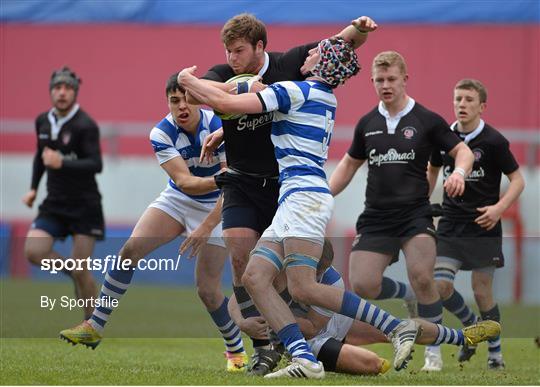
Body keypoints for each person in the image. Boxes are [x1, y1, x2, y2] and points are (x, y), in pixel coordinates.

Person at [178, 28, 449, 379]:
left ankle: (396, 327)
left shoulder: (296, 90)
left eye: (317, 52)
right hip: (294, 198)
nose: (309, 53)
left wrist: (187, 79)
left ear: (325, 64)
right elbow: (246, 113)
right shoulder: (321, 95)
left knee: (302, 286)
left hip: (304, 199)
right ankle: (303, 357)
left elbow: (227, 103)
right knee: (255, 277)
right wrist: (225, 128)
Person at [192, 13, 379, 376]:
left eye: (239, 51)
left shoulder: (292, 67)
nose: (232, 58)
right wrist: (209, 104)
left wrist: (358, 29)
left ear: (260, 47)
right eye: (228, 51)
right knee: (240, 256)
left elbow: (337, 47)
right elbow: (203, 89)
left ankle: (307, 331)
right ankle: (269, 347)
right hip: (244, 183)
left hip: (285, 184)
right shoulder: (226, 72)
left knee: (309, 268)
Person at [59, 73, 249, 372]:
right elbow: (185, 182)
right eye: (175, 101)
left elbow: (232, 187)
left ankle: (235, 351)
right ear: (167, 103)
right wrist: (219, 179)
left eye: (188, 99)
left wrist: (206, 226)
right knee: (129, 251)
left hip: (219, 205)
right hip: (179, 199)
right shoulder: (161, 133)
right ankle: (94, 325)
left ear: (199, 100)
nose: (182, 106)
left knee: (207, 291)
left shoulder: (219, 124)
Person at [328, 51, 475, 372]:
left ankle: (433, 350)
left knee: (423, 275)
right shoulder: (367, 124)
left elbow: (462, 151)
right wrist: (322, 195)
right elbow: (348, 165)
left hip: (415, 215)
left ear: (404, 79)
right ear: (372, 82)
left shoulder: (426, 120)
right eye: (379, 80)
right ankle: (408, 296)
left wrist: (460, 174)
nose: (385, 85)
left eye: (391, 79)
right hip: (377, 216)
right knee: (364, 284)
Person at [228, 239, 501, 376]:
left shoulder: (331, 282)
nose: (317, 275)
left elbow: (312, 326)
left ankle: (462, 335)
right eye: (313, 269)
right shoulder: (274, 271)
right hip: (308, 344)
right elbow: (236, 298)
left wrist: (273, 316)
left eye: (321, 270)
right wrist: (243, 320)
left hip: (325, 327)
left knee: (395, 330)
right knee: (372, 366)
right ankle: (295, 358)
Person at [427, 79, 525, 371]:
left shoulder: (494, 141)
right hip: (451, 225)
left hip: (484, 227)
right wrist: (421, 200)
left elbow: (518, 180)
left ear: (482, 106)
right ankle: (471, 325)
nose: (461, 105)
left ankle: (495, 355)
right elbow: (431, 170)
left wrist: (498, 209)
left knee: (482, 292)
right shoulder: (444, 138)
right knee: (440, 286)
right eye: (458, 99)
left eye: (469, 100)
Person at [22, 66, 103, 320]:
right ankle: (74, 272)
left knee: (83, 270)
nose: (62, 93)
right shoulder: (42, 121)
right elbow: (40, 156)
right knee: (34, 252)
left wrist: (62, 162)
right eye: (58, 88)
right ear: (51, 92)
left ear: (75, 92)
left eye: (68, 88)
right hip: (54, 203)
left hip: (85, 205)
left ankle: (91, 326)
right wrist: (33, 189)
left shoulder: (85, 125)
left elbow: (96, 164)